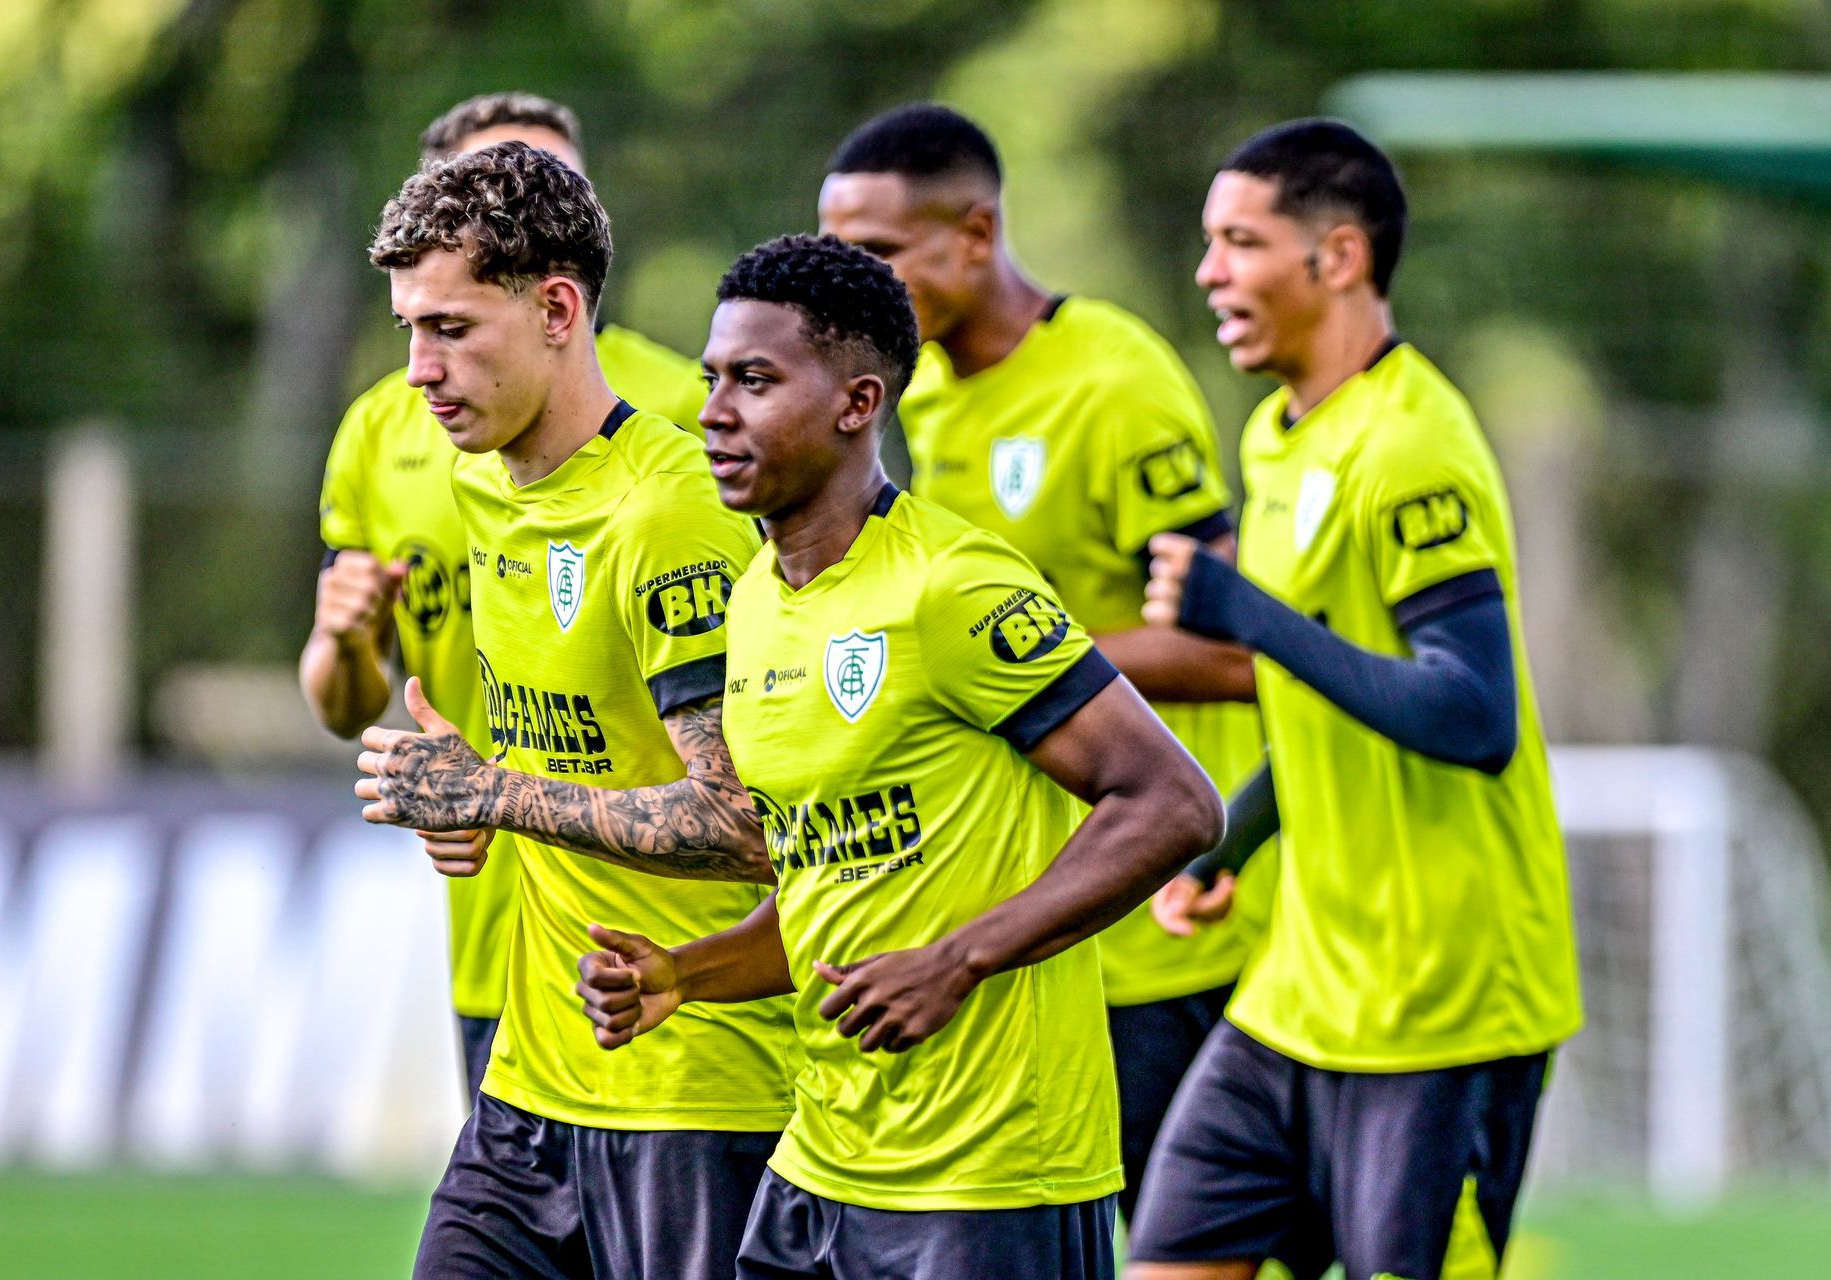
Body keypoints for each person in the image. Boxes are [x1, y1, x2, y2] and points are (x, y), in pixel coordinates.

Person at [569, 232, 1224, 1280]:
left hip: (991, 1181)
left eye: (754, 380)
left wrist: (961, 958)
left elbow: (1175, 803)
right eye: (709, 380)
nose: (713, 412)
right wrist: (686, 974)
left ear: (857, 402)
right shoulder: (753, 601)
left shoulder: (953, 587)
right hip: (822, 1165)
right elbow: (837, 884)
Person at [1125, 120, 1581, 1280]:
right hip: (1301, 984)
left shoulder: (1413, 447)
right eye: (1207, 243)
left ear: (1337, 258)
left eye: (1239, 242)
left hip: (1445, 1002)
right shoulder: (1280, 435)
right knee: (1170, 1259)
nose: (1209, 272)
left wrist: (1247, 615)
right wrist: (1237, 835)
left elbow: (1473, 715)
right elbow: (1328, 692)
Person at [818, 102, 1272, 1218]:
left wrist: (1019, 670)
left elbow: (1235, 651)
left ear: (975, 235)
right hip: (1018, 929)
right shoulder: (903, 390)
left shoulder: (1112, 380)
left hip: (1155, 932)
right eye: (835, 253)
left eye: (877, 252)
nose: (850, 281)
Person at [356, 141, 794, 1280]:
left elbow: (747, 821)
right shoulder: (481, 478)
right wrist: (470, 799)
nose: (418, 368)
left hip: (698, 1091)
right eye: (410, 327)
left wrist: (498, 791)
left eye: (450, 328)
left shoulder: (671, 510)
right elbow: (573, 745)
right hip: (529, 1083)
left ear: (557, 308)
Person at [301, 91, 706, 1102]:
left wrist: (498, 792)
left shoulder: (691, 420)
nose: (423, 369)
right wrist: (349, 645)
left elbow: (750, 787)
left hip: (675, 947)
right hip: (496, 927)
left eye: (557, 183)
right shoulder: (404, 436)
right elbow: (347, 699)